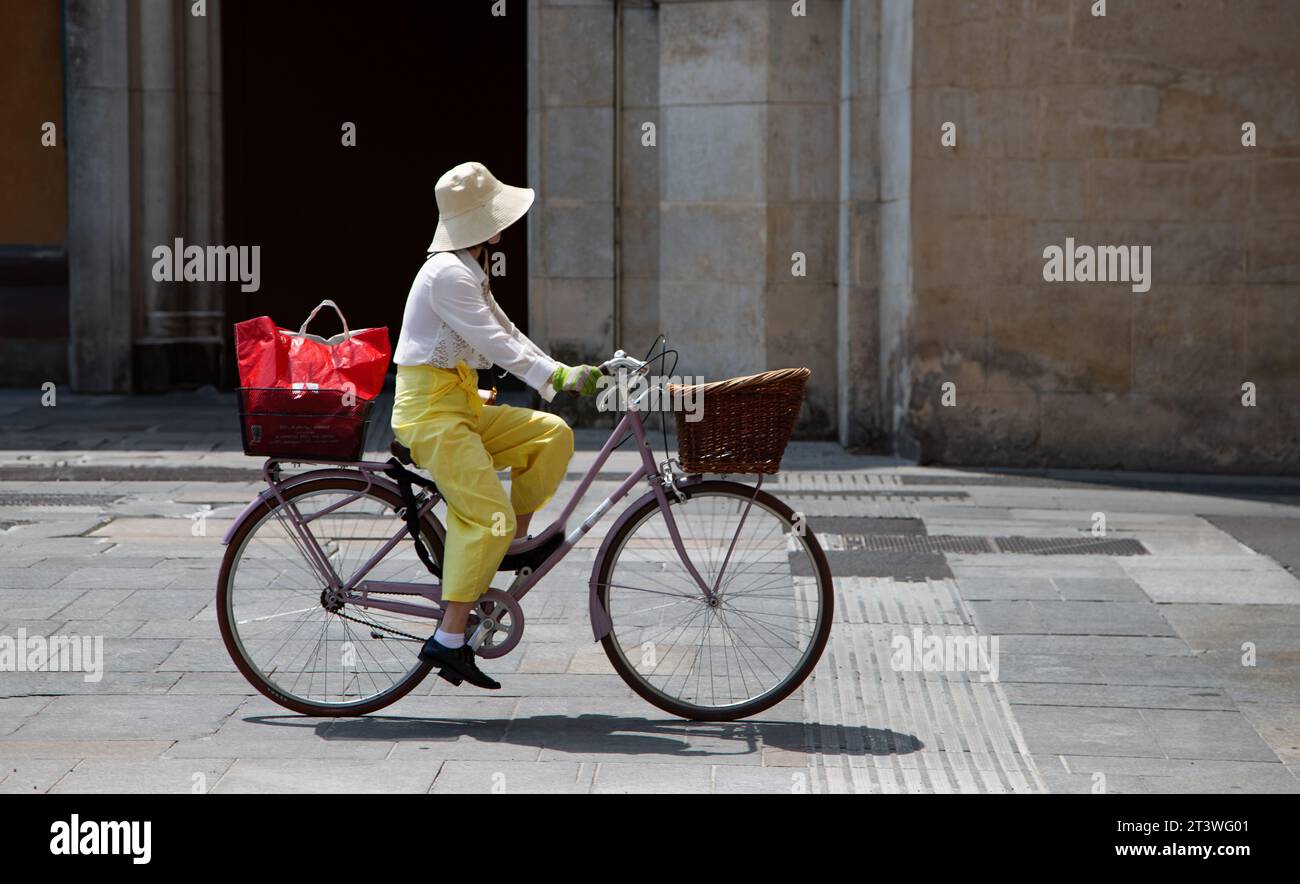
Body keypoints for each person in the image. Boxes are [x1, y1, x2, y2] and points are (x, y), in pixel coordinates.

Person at [391, 161, 602, 690]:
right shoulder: (447, 274)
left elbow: (508, 330)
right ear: (480, 223)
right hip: (432, 416)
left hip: (461, 407)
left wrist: (558, 372)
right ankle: (450, 637)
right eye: (493, 214)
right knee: (486, 517)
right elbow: (495, 344)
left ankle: (512, 545)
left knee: (550, 434)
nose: (502, 223)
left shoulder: (468, 265)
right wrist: (557, 375)